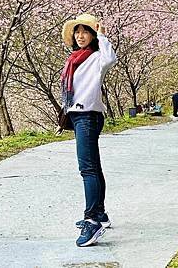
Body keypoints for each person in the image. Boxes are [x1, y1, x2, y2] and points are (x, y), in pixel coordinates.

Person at [60, 13, 117, 247]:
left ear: (93, 35)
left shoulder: (96, 58)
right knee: (93, 167)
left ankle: (91, 220)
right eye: (77, 31)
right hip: (78, 115)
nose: (80, 35)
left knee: (88, 169)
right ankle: (100, 214)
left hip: (88, 116)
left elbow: (110, 59)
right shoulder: (74, 58)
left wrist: (102, 35)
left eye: (86, 31)